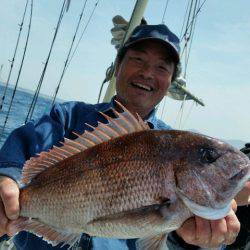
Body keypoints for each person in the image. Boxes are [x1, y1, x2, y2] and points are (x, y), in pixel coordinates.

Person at [0, 23, 249, 250]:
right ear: (117, 66)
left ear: (171, 81)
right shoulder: (67, 117)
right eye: (138, 59)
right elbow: (17, 154)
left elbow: (160, 239)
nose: (148, 73)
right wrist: (7, 181)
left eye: (162, 67)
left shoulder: (173, 144)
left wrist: (193, 239)